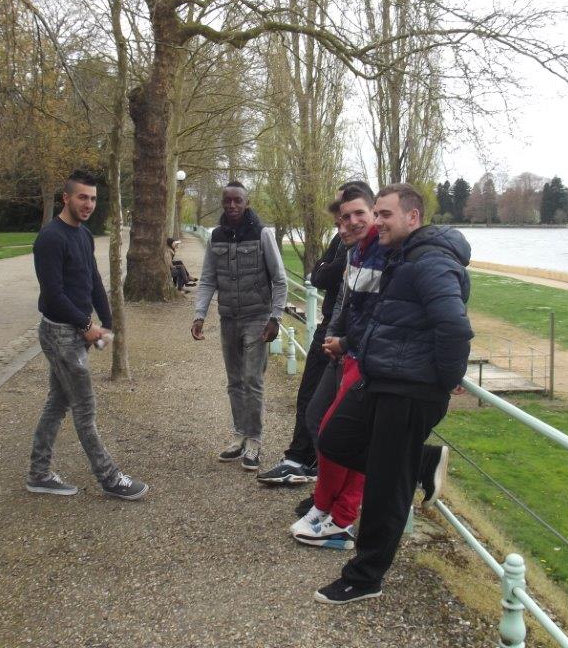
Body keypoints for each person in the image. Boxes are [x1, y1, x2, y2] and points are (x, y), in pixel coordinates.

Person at [313, 183, 472, 604]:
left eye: (385, 215)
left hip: (410, 390)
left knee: (385, 489)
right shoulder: (404, 257)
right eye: (378, 213)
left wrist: (443, 383)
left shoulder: (432, 261)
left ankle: (365, 578)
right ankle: (420, 462)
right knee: (334, 439)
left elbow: (454, 328)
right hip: (380, 377)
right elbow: (386, 319)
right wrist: (350, 344)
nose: (377, 222)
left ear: (412, 217)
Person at [26, 169, 148, 501]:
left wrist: (107, 321)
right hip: (60, 334)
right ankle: (110, 477)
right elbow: (53, 295)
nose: (89, 204)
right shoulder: (50, 238)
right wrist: (86, 326)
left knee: (57, 403)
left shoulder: (83, 234)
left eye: (93, 198)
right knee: (84, 408)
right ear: (65, 198)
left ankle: (38, 473)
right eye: (82, 197)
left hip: (75, 331)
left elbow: (92, 279)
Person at [256, 181, 368, 486]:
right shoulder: (342, 239)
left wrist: (328, 269)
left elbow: (330, 277)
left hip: (344, 335)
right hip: (332, 327)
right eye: (340, 215)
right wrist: (327, 269)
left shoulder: (361, 248)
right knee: (313, 402)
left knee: (330, 410)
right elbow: (318, 275)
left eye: (349, 210)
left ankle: (314, 468)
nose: (344, 221)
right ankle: (304, 462)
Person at [191, 181, 287, 471]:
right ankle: (239, 436)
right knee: (234, 381)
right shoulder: (216, 236)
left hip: (257, 318)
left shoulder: (262, 234)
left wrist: (275, 318)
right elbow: (208, 279)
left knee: (252, 380)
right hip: (229, 319)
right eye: (227, 200)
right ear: (222, 203)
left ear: (247, 203)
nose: (232, 205)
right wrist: (199, 315)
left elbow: (280, 279)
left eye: (238, 200)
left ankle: (254, 440)